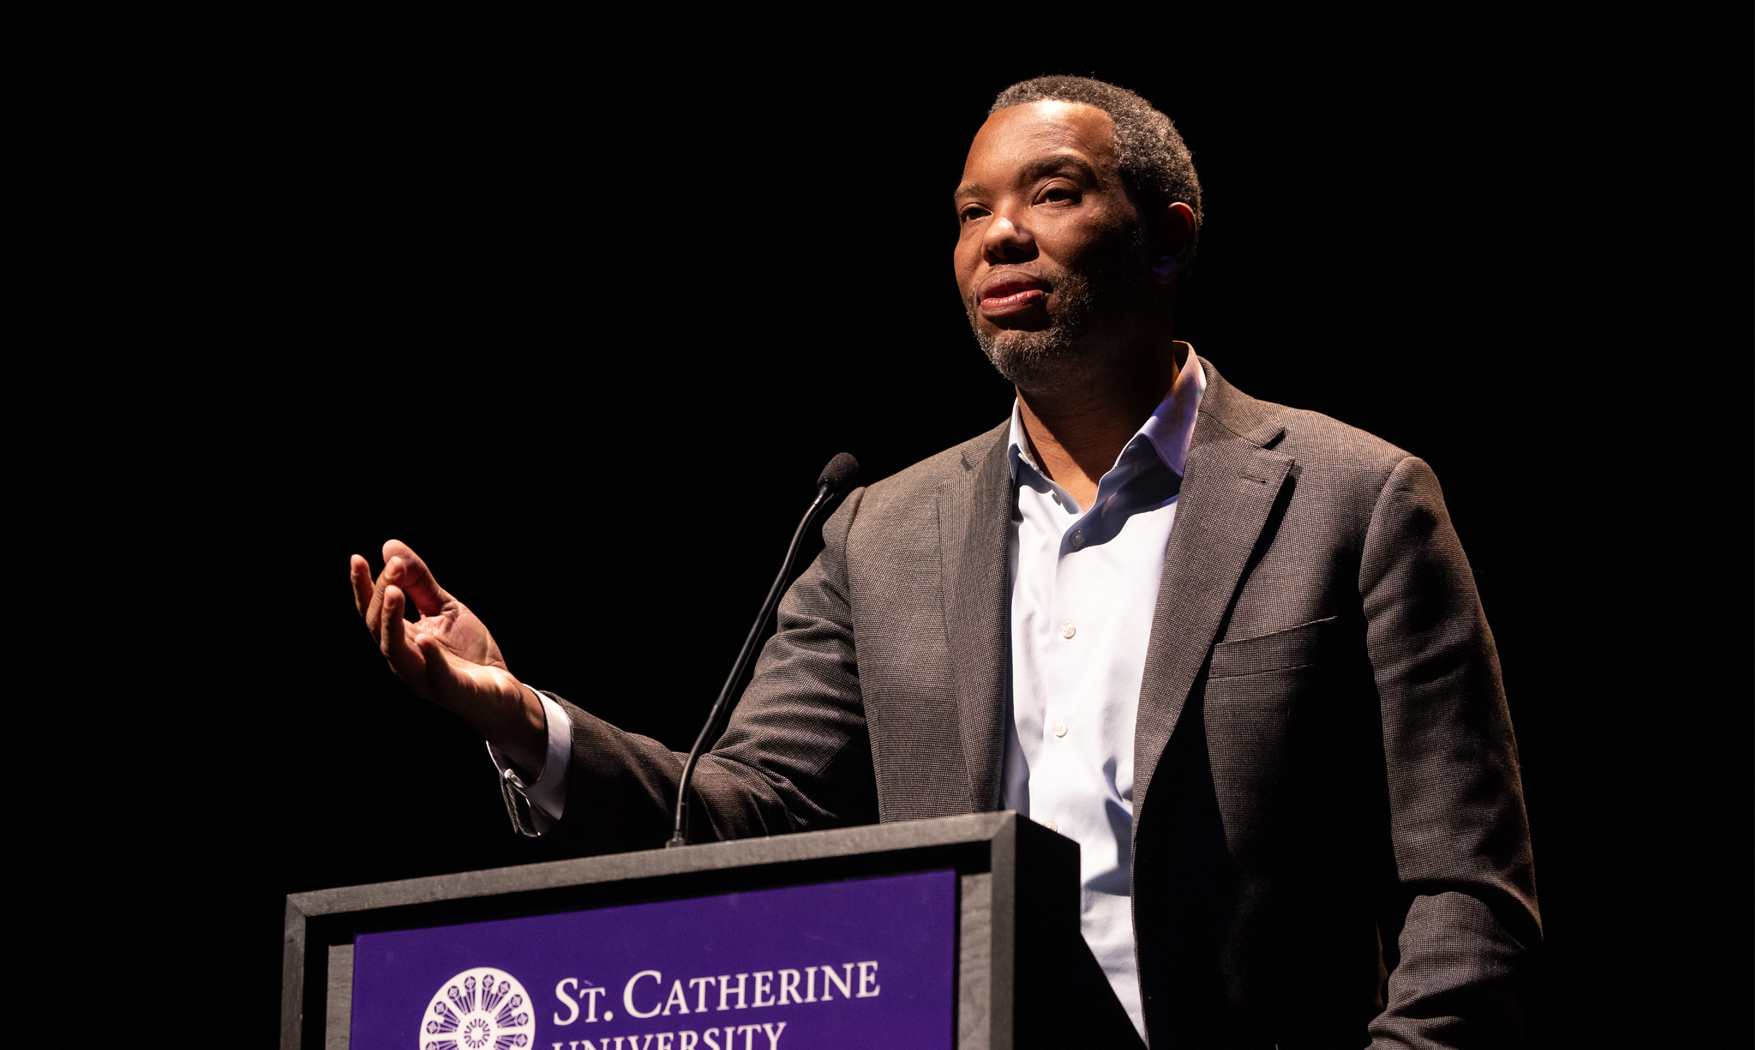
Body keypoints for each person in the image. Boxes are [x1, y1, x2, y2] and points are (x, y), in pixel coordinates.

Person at [350, 76, 1539, 1047]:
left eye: (1054, 193)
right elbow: (751, 812)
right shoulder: (879, 528)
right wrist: (521, 722)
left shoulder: (1355, 498)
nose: (999, 236)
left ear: (1169, 238)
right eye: (970, 213)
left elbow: (1467, 896)